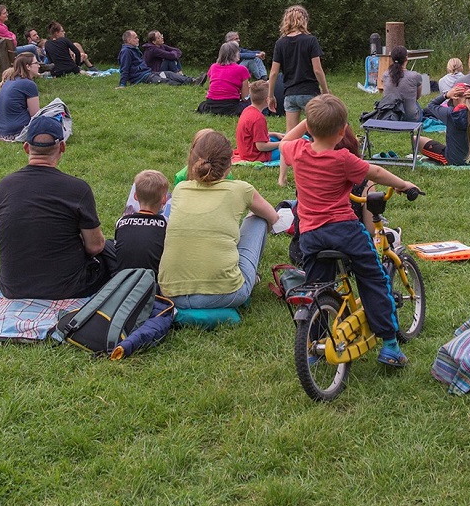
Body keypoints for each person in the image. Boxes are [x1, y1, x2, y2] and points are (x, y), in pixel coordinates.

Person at [280, 95, 421, 367]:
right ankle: (390, 344)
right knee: (374, 277)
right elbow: (376, 172)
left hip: (310, 235)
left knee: (316, 287)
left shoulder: (298, 150)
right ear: (343, 130)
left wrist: (306, 125)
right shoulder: (343, 159)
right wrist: (403, 183)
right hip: (343, 230)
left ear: (310, 127)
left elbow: (285, 140)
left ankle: (314, 344)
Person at [0, 116, 119, 299]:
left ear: (26, 148)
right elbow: (95, 246)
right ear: (62, 147)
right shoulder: (77, 189)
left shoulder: (5, 186)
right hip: (67, 289)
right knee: (109, 248)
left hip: (13, 287)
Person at [157, 131, 280, 309]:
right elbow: (273, 218)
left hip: (171, 293)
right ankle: (250, 277)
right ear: (230, 163)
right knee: (259, 219)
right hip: (225, 294)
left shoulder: (180, 189)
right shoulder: (242, 189)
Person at [266, 5, 328, 133]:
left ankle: (290, 153)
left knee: (291, 135)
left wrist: (270, 96)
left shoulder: (280, 43)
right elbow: (317, 70)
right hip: (309, 92)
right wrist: (326, 91)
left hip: (290, 94)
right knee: (318, 131)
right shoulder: (311, 40)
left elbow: (273, 73)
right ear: (304, 20)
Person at [113, 170, 169, 274]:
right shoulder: (166, 224)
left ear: (135, 196)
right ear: (164, 200)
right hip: (153, 282)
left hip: (123, 279)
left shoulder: (121, 222)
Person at [117, 30, 198, 86]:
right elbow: (124, 68)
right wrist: (122, 84)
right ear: (128, 40)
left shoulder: (134, 50)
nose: (138, 39)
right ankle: (187, 82)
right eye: (135, 38)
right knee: (163, 80)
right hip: (140, 77)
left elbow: (176, 51)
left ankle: (192, 80)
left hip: (148, 72)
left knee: (168, 74)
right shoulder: (126, 52)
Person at [0, 52, 41, 139]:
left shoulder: (9, 81)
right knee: (58, 109)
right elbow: (35, 115)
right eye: (36, 63)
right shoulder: (29, 84)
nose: (39, 66)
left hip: (1, 131)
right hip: (17, 132)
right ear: (28, 67)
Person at [197, 41, 250, 116]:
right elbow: (245, 97)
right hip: (230, 106)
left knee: (203, 104)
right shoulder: (242, 69)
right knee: (250, 104)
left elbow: (212, 87)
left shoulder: (213, 67)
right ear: (235, 54)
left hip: (211, 105)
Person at [233, 80, 281, 162]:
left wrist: (274, 134)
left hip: (246, 151)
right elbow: (261, 146)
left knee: (283, 138)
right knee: (291, 148)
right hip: (255, 156)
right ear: (267, 100)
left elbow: (253, 134)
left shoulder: (247, 110)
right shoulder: (258, 118)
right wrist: (281, 144)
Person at [380, 45, 424, 122]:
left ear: (392, 59)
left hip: (390, 115)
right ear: (406, 58)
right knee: (415, 104)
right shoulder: (415, 76)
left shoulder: (385, 75)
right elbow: (417, 96)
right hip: (411, 119)